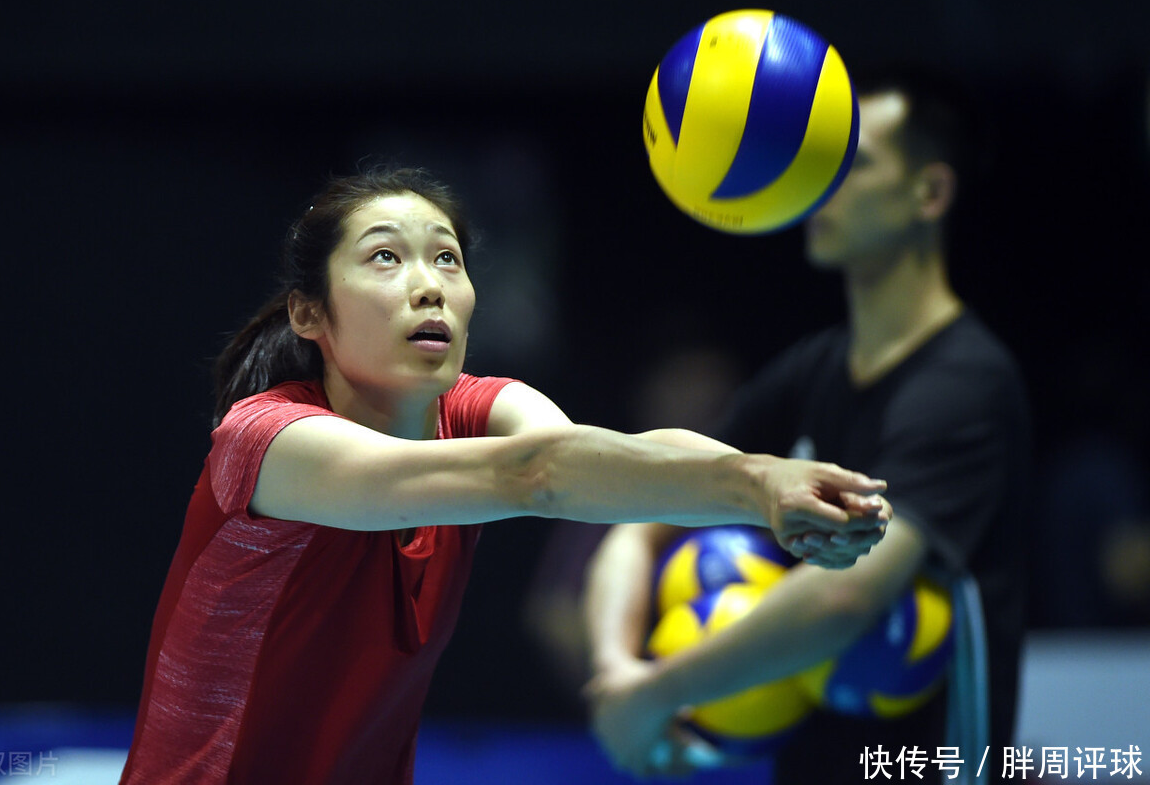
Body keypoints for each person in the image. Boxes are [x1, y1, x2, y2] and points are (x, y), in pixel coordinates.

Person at [117, 166, 892, 785]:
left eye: (446, 259)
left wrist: (768, 480)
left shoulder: (478, 411)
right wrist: (756, 489)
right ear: (308, 314)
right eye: (385, 257)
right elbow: (536, 474)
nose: (428, 284)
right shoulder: (266, 440)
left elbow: (588, 454)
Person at [583, 71, 1032, 783]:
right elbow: (641, 521)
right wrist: (616, 672)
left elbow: (845, 596)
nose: (818, 185)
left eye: (852, 164)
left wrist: (658, 693)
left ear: (929, 193)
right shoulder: (811, 371)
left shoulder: (965, 385)